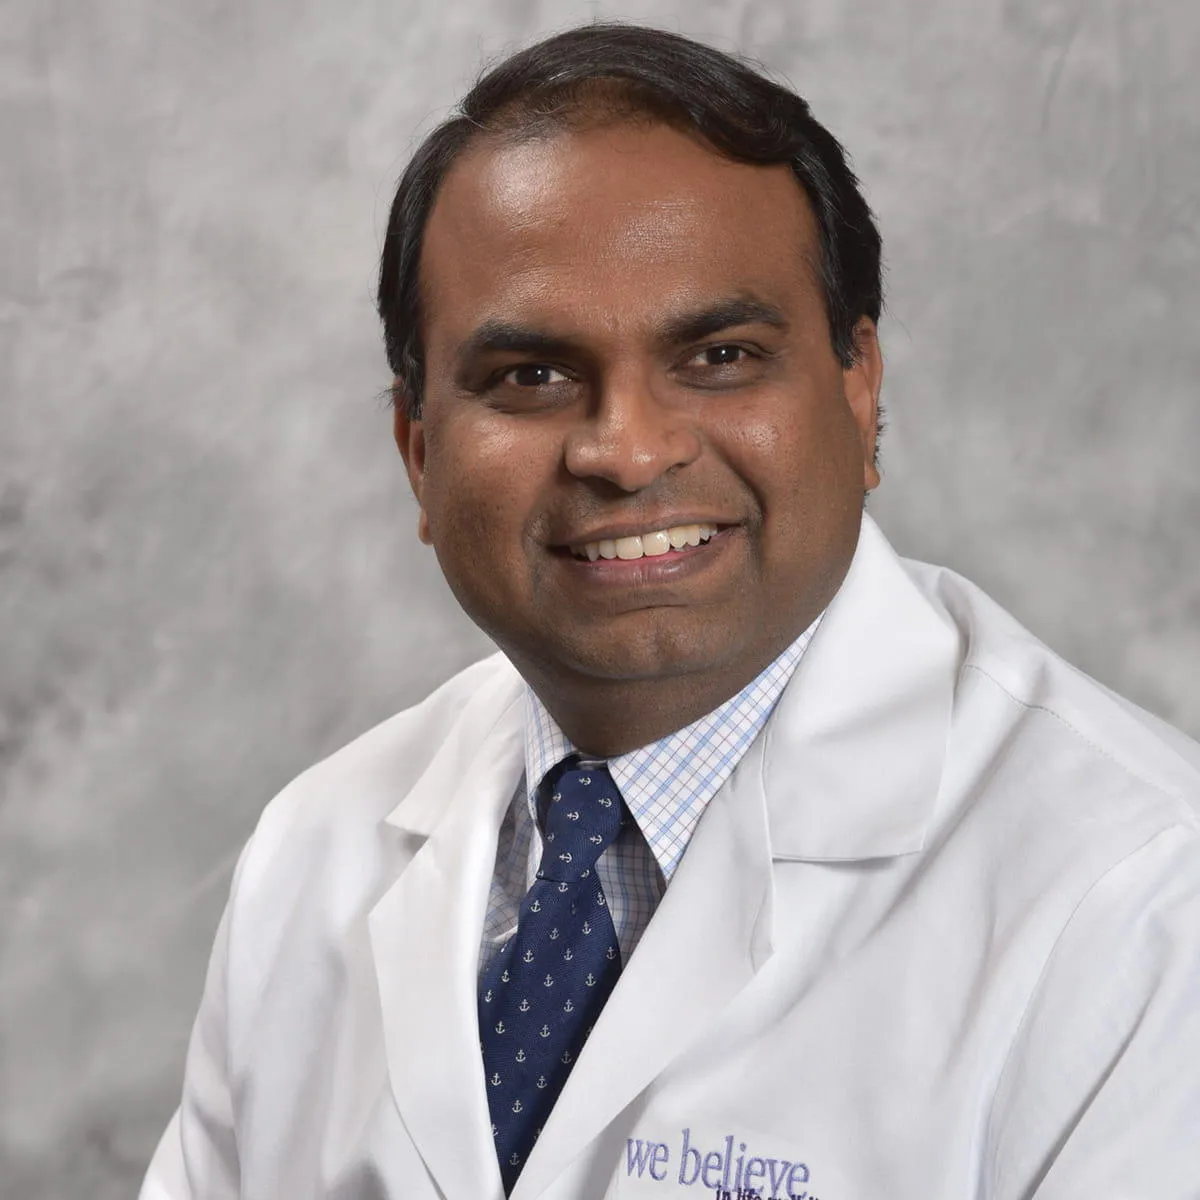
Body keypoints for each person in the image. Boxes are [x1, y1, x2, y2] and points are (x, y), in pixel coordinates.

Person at [140, 22, 1200, 1200]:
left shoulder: (1145, 900)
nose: (628, 451)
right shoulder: (314, 852)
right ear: (417, 449)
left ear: (860, 389)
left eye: (721, 356)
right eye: (530, 377)